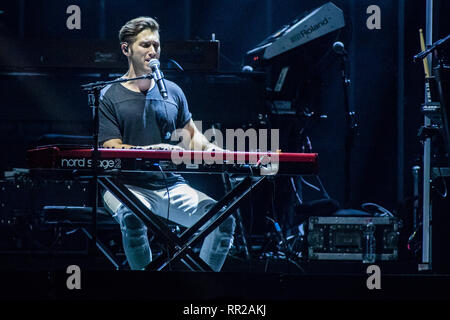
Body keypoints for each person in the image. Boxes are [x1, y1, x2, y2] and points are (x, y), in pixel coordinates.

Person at [99, 16, 235, 271]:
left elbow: (194, 138)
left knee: (224, 222)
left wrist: (220, 152)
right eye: (145, 45)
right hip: (125, 186)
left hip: (170, 184)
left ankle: (202, 294)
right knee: (132, 218)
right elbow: (110, 148)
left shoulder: (172, 91)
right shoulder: (109, 93)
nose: (153, 51)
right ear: (126, 49)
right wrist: (151, 151)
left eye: (157, 46)